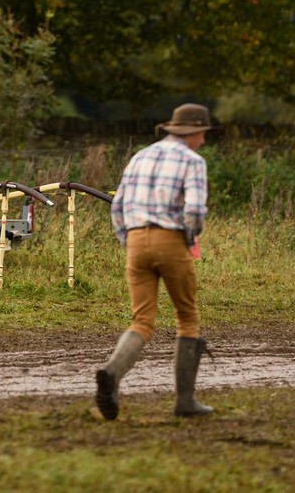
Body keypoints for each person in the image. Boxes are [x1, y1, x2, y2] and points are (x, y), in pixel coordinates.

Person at [94, 102, 219, 421]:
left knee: (142, 320)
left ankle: (112, 372)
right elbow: (194, 210)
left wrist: (129, 239)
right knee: (187, 316)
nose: (203, 141)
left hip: (135, 241)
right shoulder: (193, 161)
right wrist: (189, 239)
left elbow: (117, 205)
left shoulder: (141, 156)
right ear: (193, 133)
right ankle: (185, 401)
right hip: (170, 240)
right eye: (203, 134)